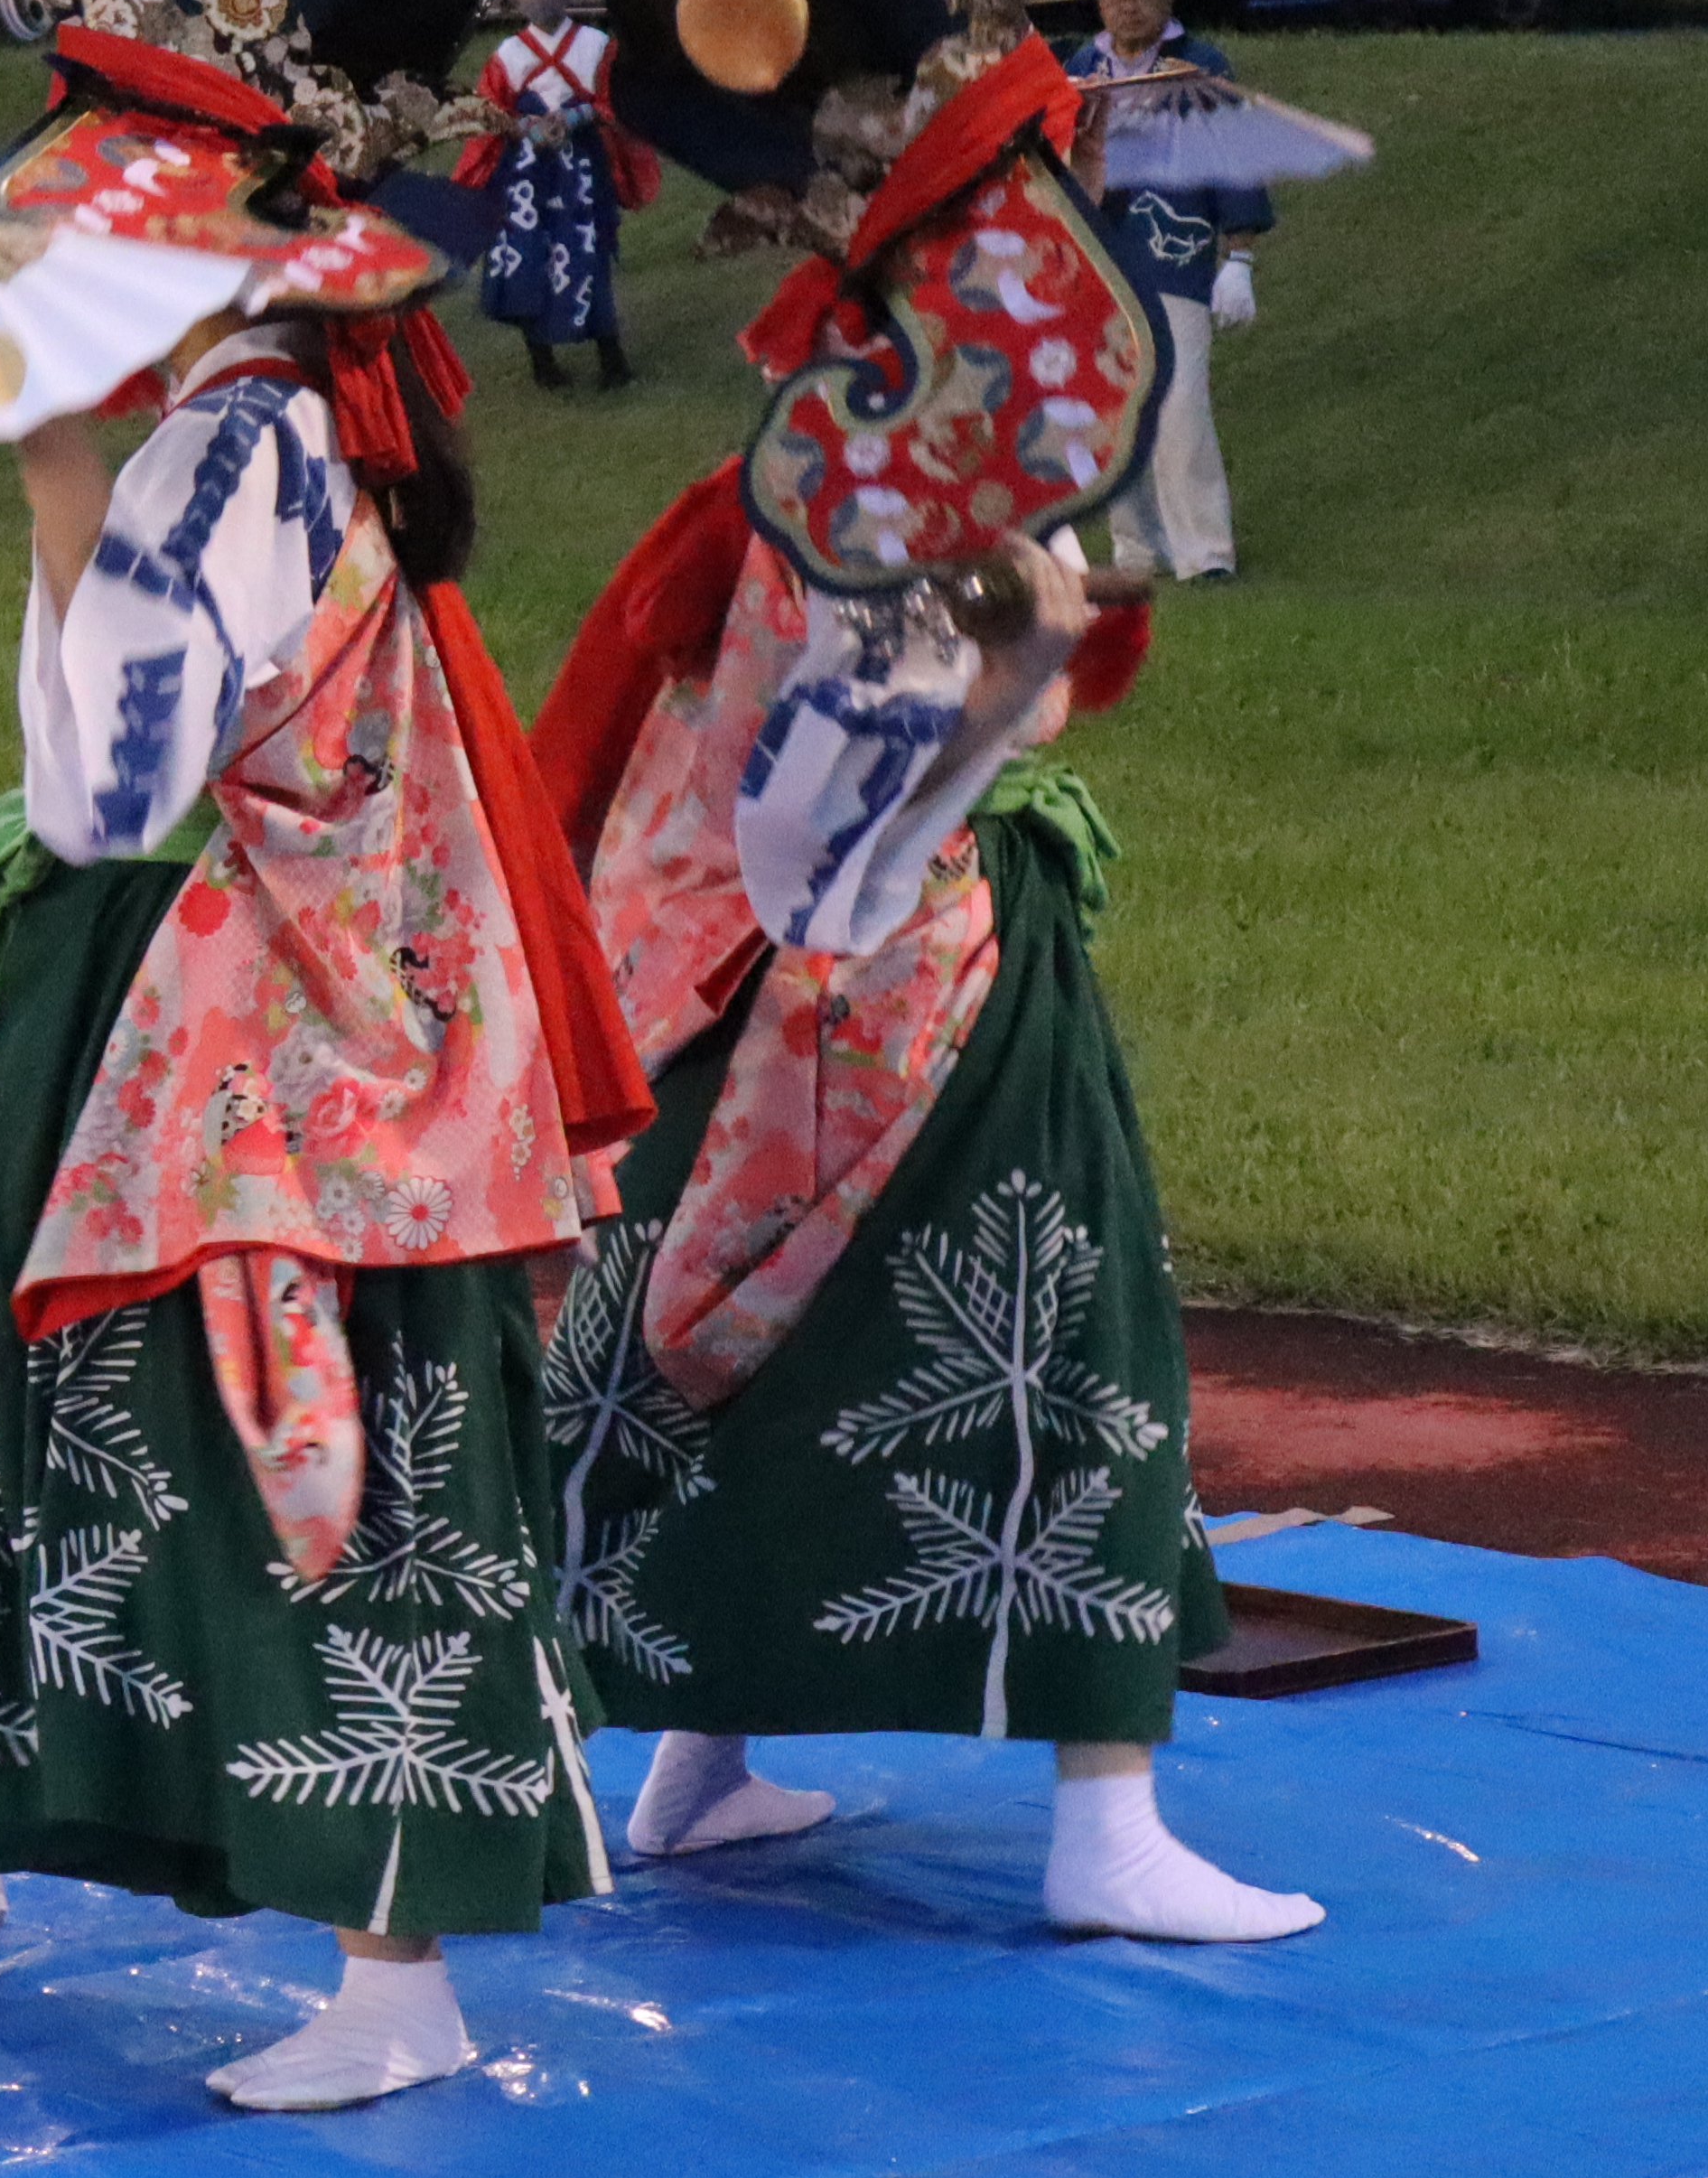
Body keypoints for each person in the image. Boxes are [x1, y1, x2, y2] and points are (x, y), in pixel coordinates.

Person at [0, 288, 656, 2112]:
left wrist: (51, 457)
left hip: (223, 1002)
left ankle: (397, 1966)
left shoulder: (239, 436)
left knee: (273, 1435)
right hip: (198, 979)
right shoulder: (288, 409)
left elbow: (120, 771)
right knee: (11, 1411)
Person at [529, 377, 1315, 1944]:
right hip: (893, 997)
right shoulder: (878, 490)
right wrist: (1026, 649)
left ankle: (697, 1751)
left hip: (708, 975)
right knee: (1065, 1341)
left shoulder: (807, 457)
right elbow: (854, 805)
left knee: (734, 1372)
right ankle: (1107, 1828)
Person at [1064, 0, 1270, 583]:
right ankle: (1137, 549)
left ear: (1167, 2)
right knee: (1116, 411)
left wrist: (1238, 256)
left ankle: (1204, 552)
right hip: (1100, 264)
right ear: (1100, 2)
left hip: (1173, 259)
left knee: (1180, 406)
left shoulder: (1200, 67)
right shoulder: (1078, 66)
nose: (1127, 8)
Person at [455, 0, 658, 391]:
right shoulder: (507, 54)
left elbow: (618, 100)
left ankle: (611, 357)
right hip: (524, 179)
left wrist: (577, 116)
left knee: (587, 255)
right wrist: (524, 127)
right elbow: (489, 111)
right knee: (526, 260)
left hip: (582, 175)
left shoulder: (596, 45)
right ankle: (541, 360)